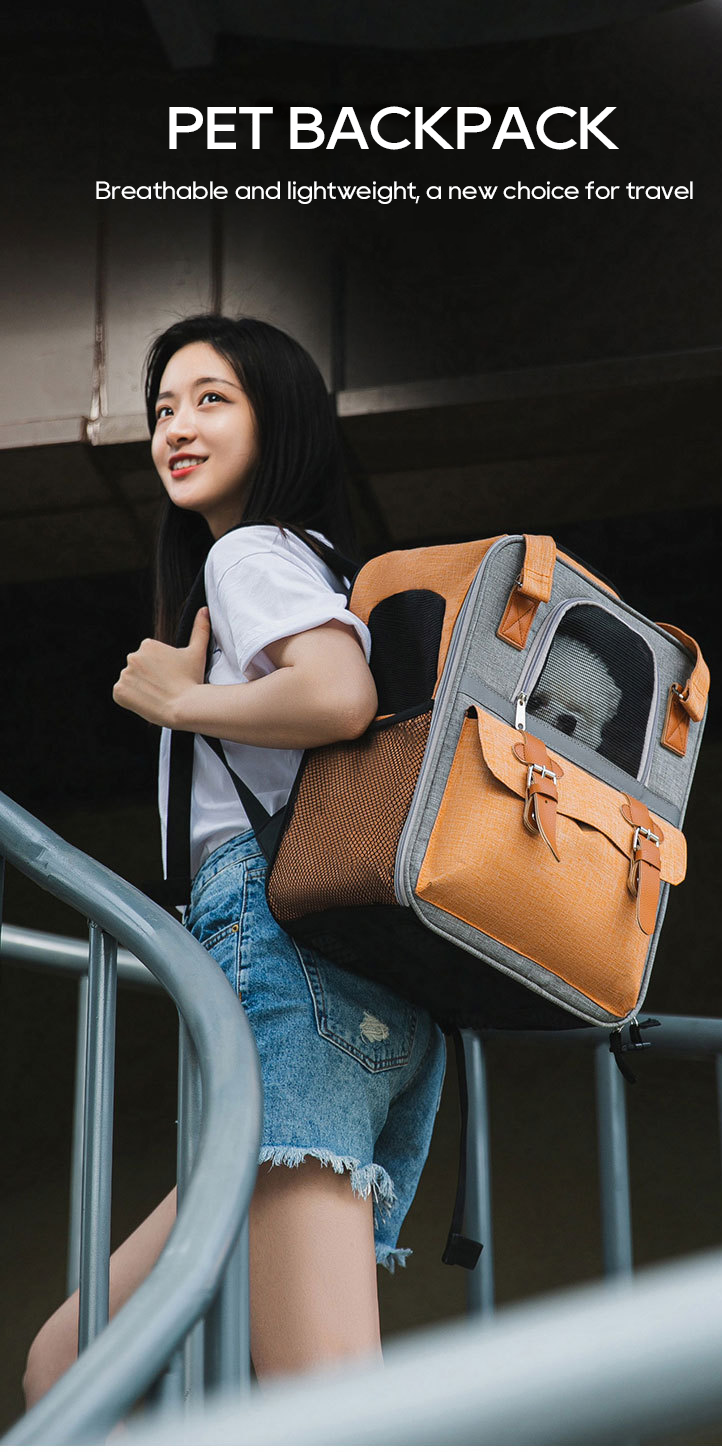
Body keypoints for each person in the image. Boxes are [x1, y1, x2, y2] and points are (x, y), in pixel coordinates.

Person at [23, 314, 445, 1405]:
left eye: (213, 399)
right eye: (164, 407)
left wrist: (181, 701)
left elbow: (337, 696)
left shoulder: (249, 553)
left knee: (326, 1405)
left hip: (291, 977)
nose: (176, 425)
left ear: (279, 419)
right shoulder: (309, 567)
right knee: (69, 1363)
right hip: (338, 985)